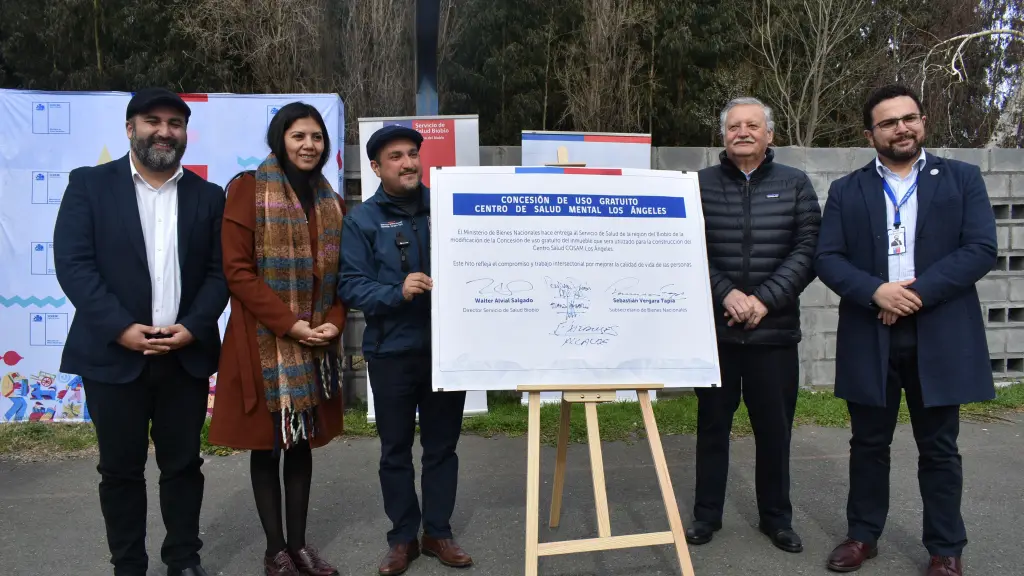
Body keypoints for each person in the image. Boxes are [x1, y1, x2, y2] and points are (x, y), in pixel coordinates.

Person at [815, 84, 997, 576]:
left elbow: (980, 249)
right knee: (868, 444)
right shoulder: (847, 190)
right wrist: (877, 292)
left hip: (939, 332)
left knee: (939, 447)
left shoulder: (962, 179)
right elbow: (827, 257)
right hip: (869, 332)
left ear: (922, 122)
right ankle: (862, 535)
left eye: (909, 118)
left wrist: (909, 296)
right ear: (870, 133)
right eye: (889, 122)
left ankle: (945, 549)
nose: (902, 128)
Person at [52, 88, 229, 576]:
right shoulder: (89, 186)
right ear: (130, 129)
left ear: (185, 135)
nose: (164, 131)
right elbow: (74, 264)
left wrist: (193, 328)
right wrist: (120, 329)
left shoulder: (208, 196)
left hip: (183, 357)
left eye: (175, 123)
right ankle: (128, 564)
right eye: (153, 121)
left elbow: (220, 273)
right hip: (113, 357)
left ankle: (183, 560)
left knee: (183, 467)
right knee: (120, 471)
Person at [207, 102, 346, 576]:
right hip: (262, 340)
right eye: (298, 136)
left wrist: (334, 321)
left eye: (317, 137)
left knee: (301, 445)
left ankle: (301, 545)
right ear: (279, 139)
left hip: (314, 341)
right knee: (268, 445)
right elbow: (238, 273)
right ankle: (276, 551)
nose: (309, 145)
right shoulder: (248, 190)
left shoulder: (331, 200)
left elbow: (341, 277)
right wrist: (290, 324)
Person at [687, 96, 821, 553]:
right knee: (712, 430)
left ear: (770, 134)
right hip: (717, 334)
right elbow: (686, 249)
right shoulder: (698, 186)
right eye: (733, 126)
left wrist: (763, 300)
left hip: (774, 334)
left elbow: (807, 251)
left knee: (775, 432)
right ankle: (706, 516)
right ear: (723, 135)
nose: (742, 132)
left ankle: (776, 519)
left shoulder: (796, 184)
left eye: (752, 125)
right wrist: (725, 292)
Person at [338, 125, 472, 575]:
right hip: (391, 352)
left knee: (441, 448)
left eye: (413, 153)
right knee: (394, 450)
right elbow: (351, 285)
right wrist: (398, 291)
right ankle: (402, 539)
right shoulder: (361, 220)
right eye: (396, 156)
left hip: (447, 351)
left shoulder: (450, 206)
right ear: (376, 167)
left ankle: (438, 532)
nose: (409, 162)